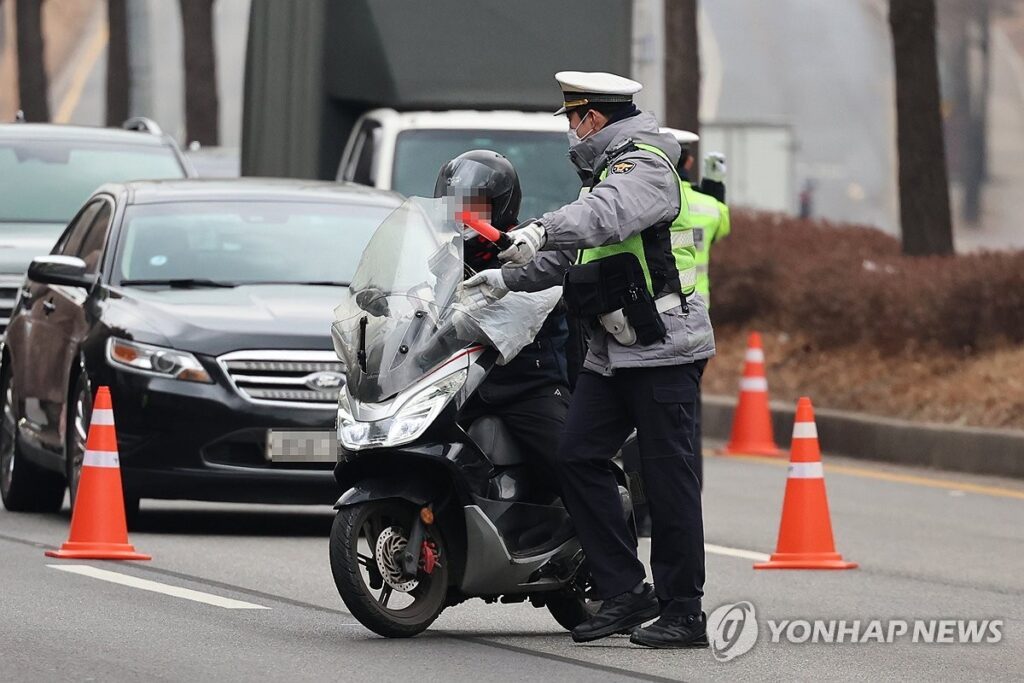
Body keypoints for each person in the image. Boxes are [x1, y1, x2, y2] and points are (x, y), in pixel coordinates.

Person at [463, 72, 715, 649]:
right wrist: (501, 278)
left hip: (665, 348)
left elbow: (604, 218)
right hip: (615, 350)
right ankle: (625, 590)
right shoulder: (604, 173)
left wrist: (538, 229)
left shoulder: (643, 165)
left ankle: (685, 611)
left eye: (572, 119)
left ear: (593, 118)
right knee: (576, 455)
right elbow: (574, 254)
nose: (570, 132)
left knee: (669, 478)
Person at [436, 150, 570, 491]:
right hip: (460, 386)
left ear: (500, 206)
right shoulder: (442, 254)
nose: (461, 213)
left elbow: (499, 323)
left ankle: (598, 536)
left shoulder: (528, 251)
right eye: (454, 203)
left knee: (567, 466)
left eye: (473, 205)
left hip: (528, 385)